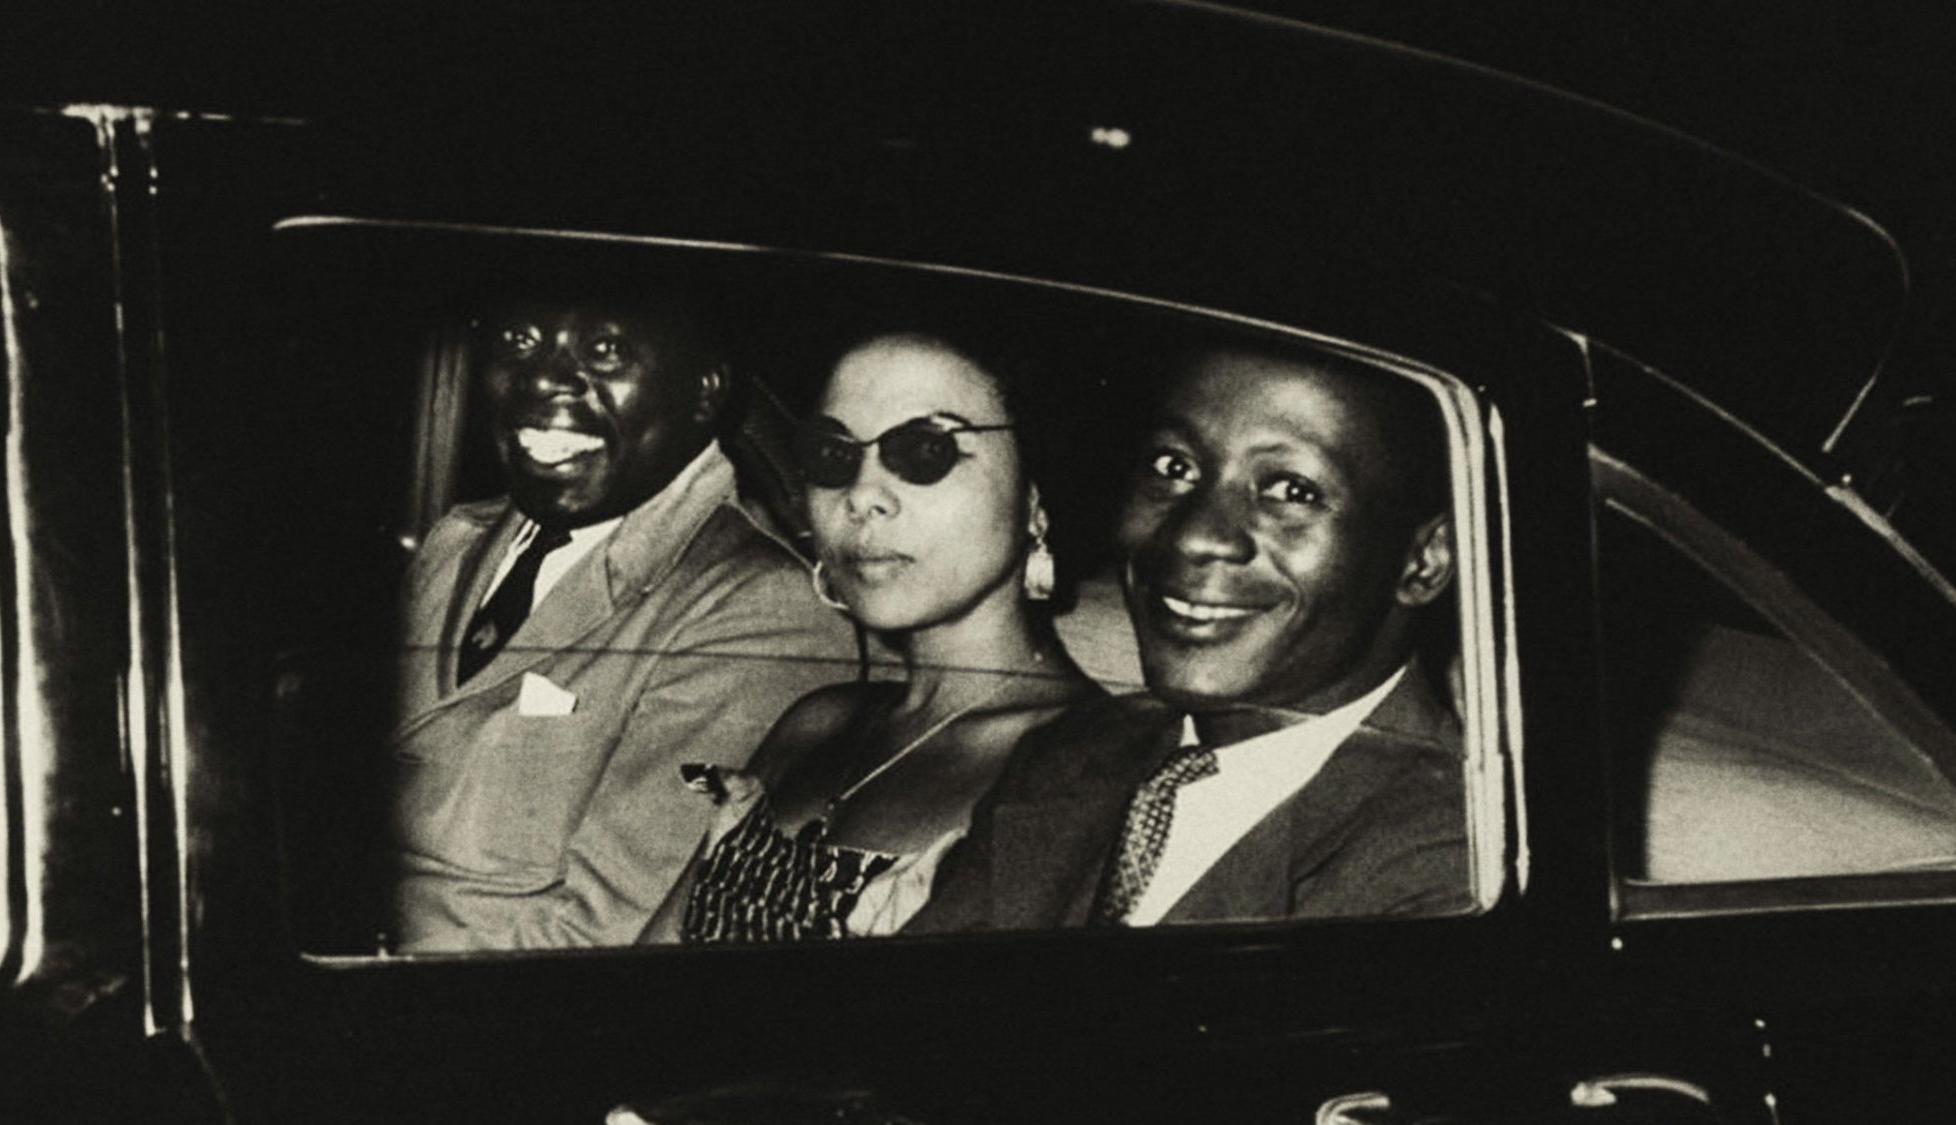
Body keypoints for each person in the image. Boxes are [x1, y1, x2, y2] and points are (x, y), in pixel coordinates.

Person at [909, 340, 1472, 931]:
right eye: (1173, 468)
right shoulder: (1072, 751)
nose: (1193, 537)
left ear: (1424, 561)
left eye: (1291, 490)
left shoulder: (1456, 859)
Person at [387, 286, 859, 950]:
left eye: (605, 350)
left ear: (703, 392)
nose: (542, 379)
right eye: (520, 343)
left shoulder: (760, 607)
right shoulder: (457, 540)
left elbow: (607, 937)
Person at [639, 330, 1095, 943]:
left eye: (925, 451)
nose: (861, 496)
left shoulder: (1084, 764)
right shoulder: (816, 723)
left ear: (1034, 500)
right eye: (833, 455)